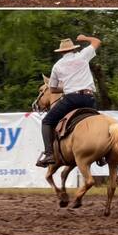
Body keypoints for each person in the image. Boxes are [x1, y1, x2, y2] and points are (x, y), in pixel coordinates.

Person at [36, 35, 101, 167]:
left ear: (61, 52)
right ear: (73, 49)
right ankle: (101, 155)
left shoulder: (57, 66)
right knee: (98, 124)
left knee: (47, 121)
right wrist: (84, 38)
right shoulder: (83, 55)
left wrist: (65, 88)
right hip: (89, 99)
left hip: (72, 99)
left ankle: (49, 154)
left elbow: (52, 89)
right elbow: (97, 41)